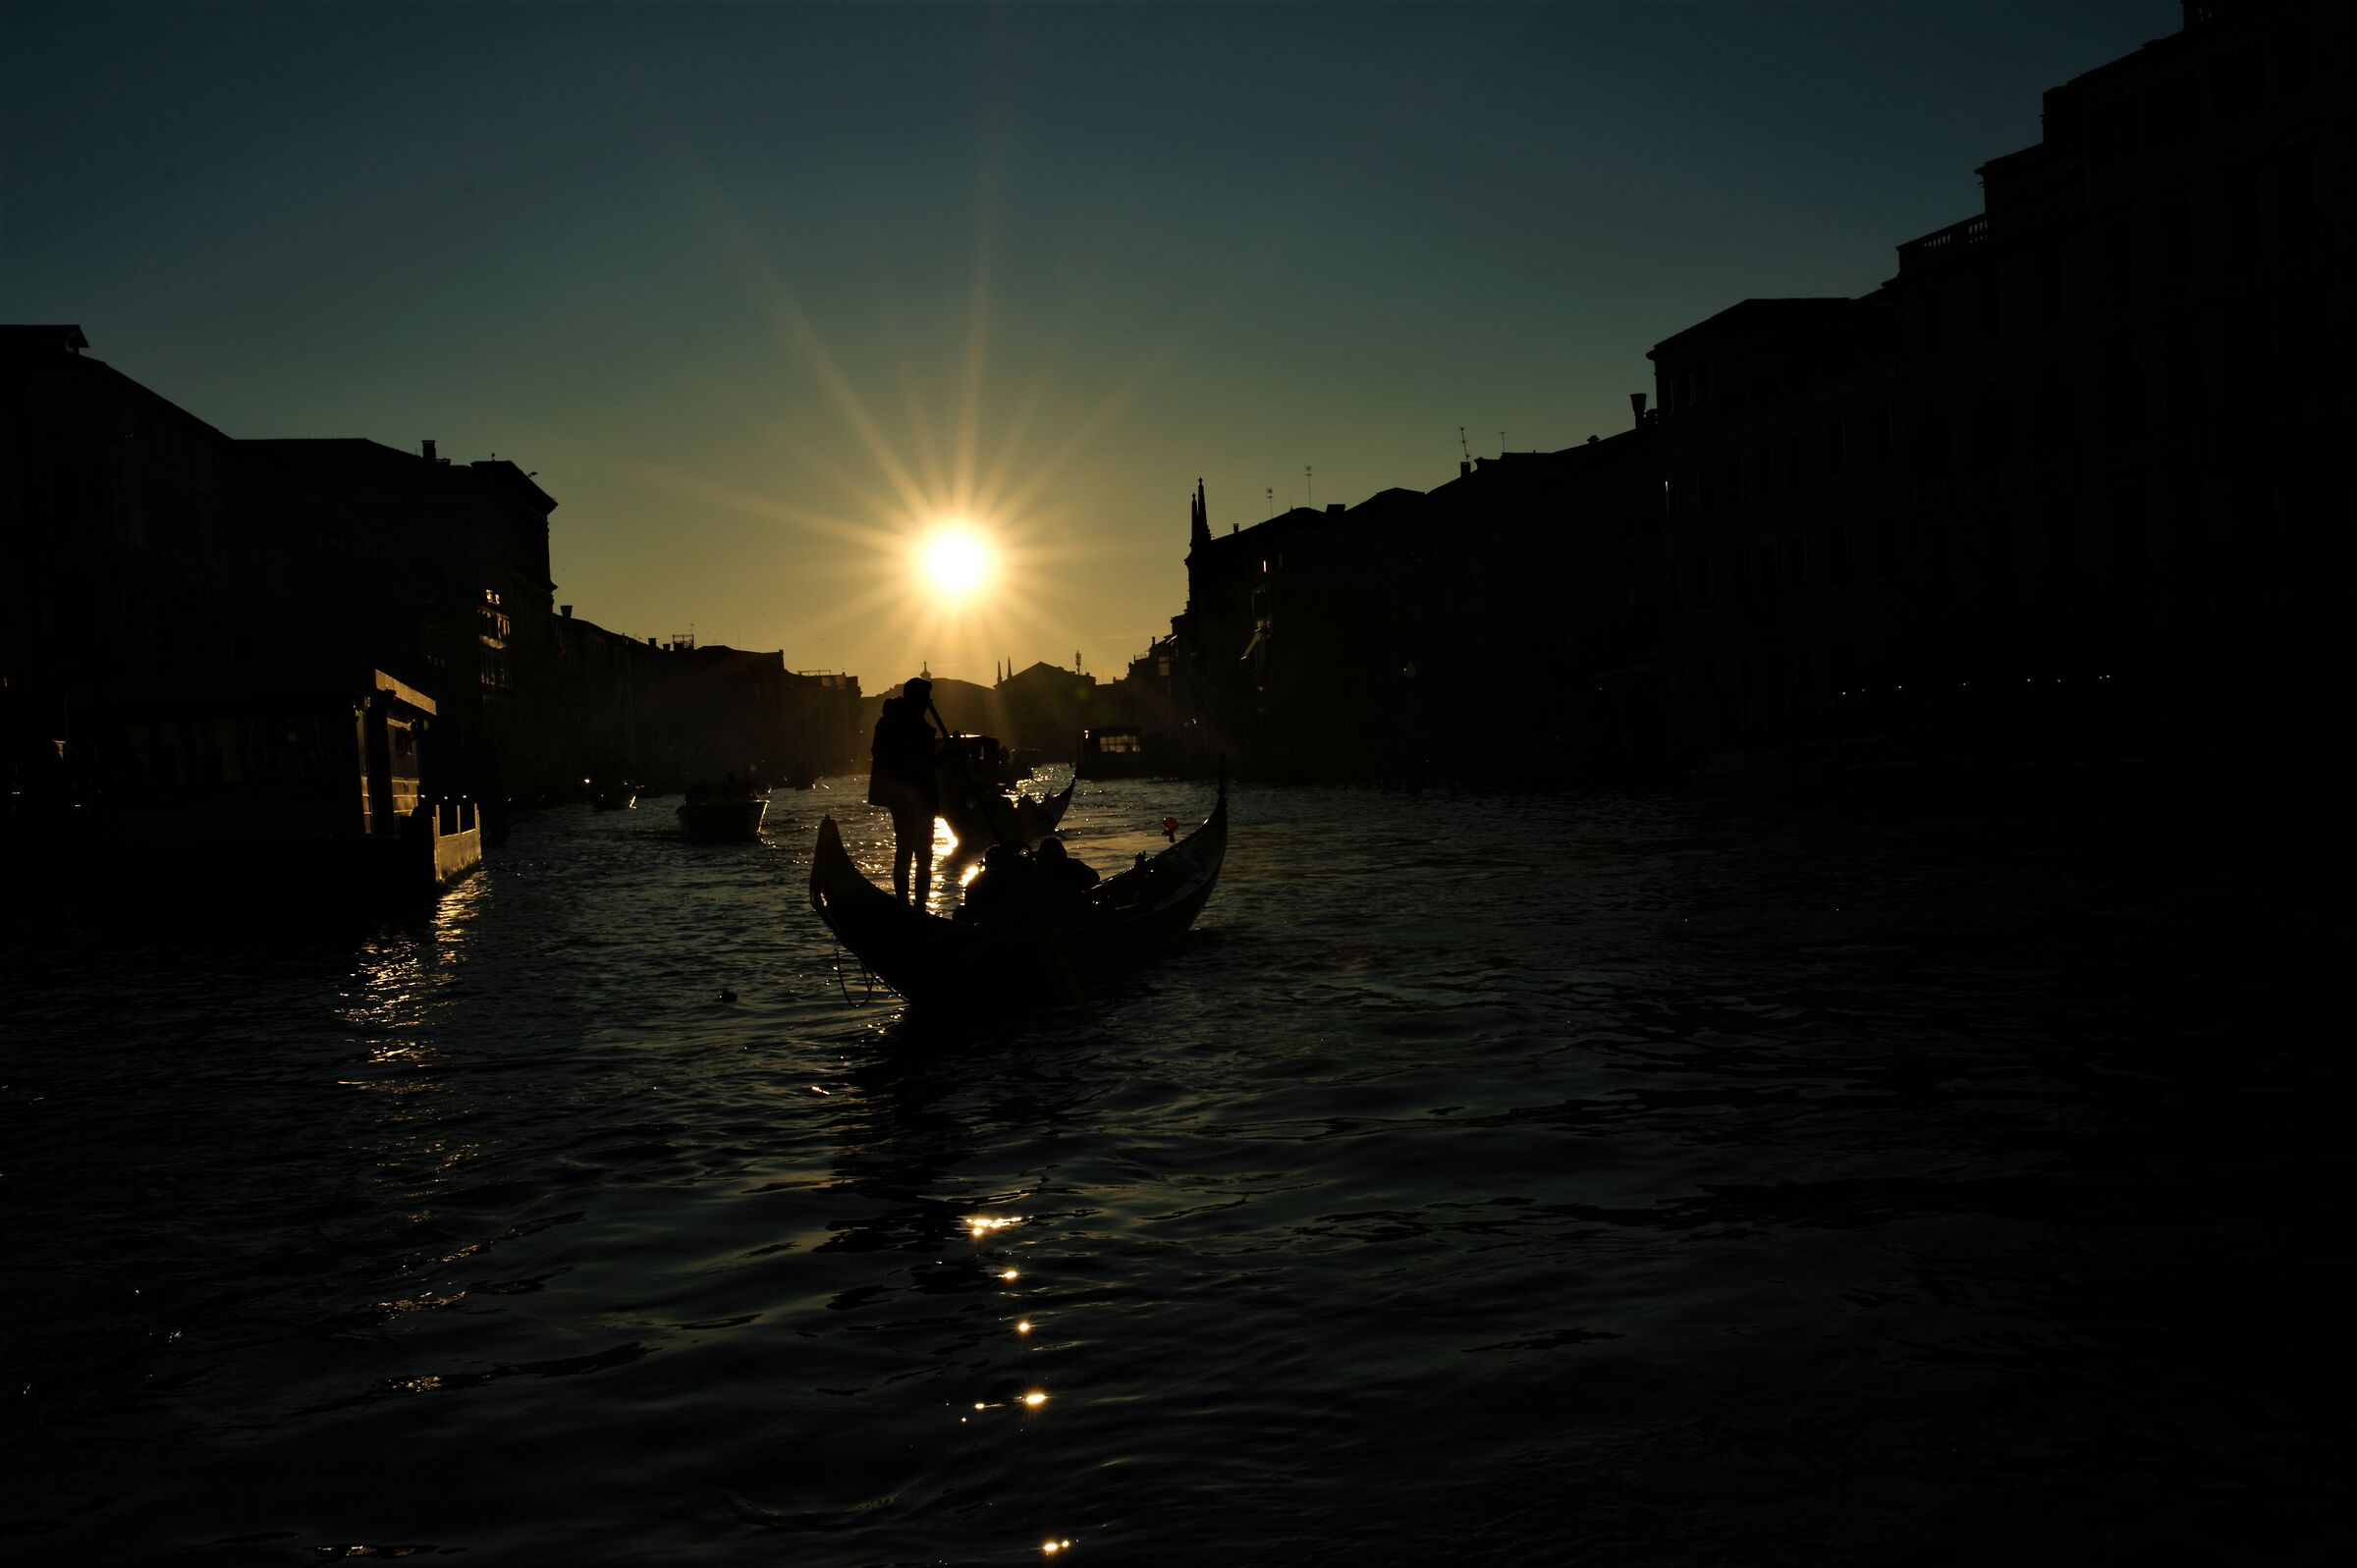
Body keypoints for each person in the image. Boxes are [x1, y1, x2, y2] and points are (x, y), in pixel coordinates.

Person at [867, 676, 941, 905]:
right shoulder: (908, 724)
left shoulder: (891, 721)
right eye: (925, 698)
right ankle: (915, 906)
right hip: (913, 797)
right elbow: (921, 763)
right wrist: (950, 756)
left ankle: (910, 905)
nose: (928, 703)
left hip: (903, 797)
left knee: (909, 851)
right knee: (920, 853)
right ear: (917, 698)